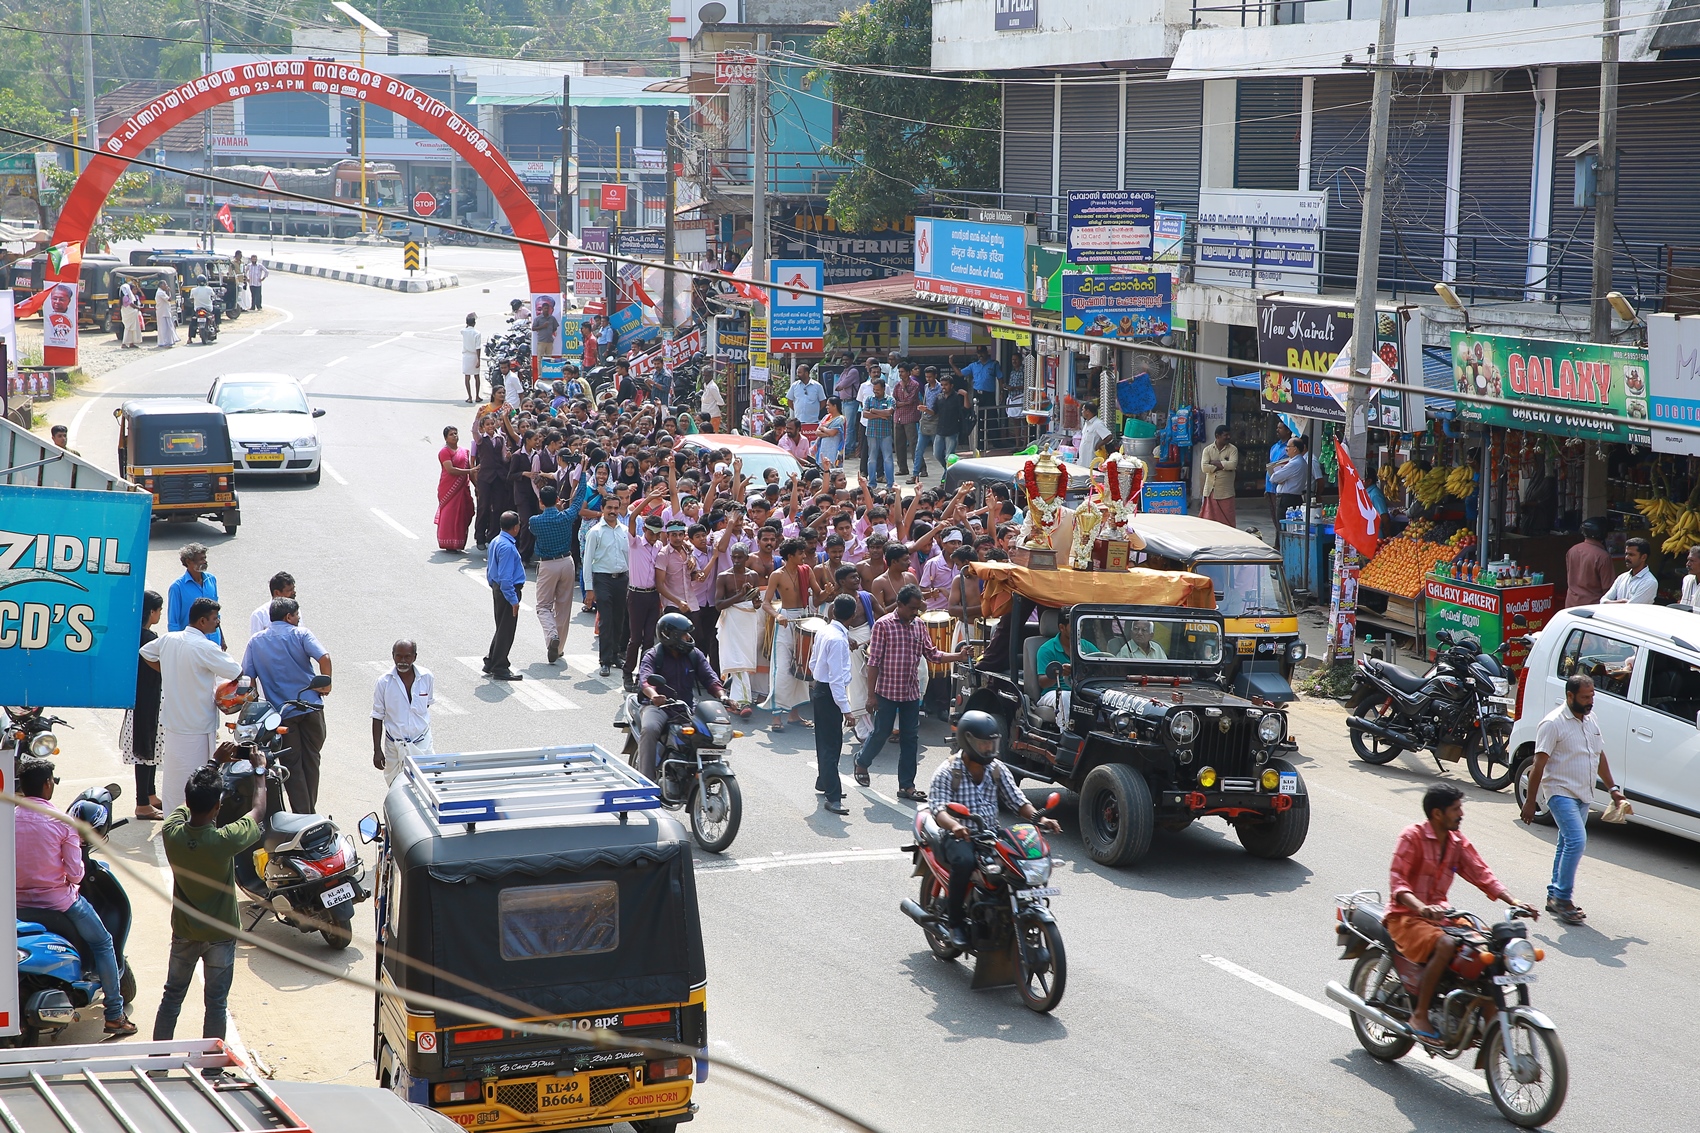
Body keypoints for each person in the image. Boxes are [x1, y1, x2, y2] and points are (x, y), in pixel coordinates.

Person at [1388, 783, 1537, 1042]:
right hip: (1406, 917)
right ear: (1437, 813)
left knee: (1491, 946)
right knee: (1446, 944)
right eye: (1456, 809)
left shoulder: (1457, 842)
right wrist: (1422, 907)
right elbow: (1398, 882)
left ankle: (1486, 1015)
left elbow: (1481, 873)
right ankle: (1420, 1013)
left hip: (1441, 917)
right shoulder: (1411, 836)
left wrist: (1513, 900)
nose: (1461, 814)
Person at [15, 758, 136, 1035]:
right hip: (58, 903)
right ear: (48, 785)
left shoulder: (6, 816)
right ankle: (115, 1015)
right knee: (104, 943)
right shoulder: (62, 822)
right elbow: (76, 874)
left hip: (14, 904)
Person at [929, 711, 1062, 949]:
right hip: (958, 836)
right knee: (964, 861)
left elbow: (1017, 801)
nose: (990, 749)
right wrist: (956, 825)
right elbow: (939, 810)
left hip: (989, 835)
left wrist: (1039, 819)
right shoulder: (948, 772)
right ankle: (955, 923)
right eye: (984, 744)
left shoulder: (997, 769)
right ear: (968, 741)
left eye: (992, 743)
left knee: (1018, 861)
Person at [155, 760, 267, 1042]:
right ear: (217, 807)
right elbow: (258, 810)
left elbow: (187, 802)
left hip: (184, 932)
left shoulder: (172, 832)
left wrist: (211, 765)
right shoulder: (223, 841)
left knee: (172, 997)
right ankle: (210, 1066)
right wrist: (260, 771)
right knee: (216, 1003)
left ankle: (158, 1061)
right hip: (220, 934)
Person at [1522, 674, 1625, 925]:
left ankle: (1553, 895)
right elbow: (1538, 765)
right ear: (1570, 696)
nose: (1590, 702)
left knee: (1565, 843)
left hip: (1583, 792)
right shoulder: (1553, 723)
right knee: (1577, 842)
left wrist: (1613, 788)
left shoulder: (1591, 719)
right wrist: (1530, 801)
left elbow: (1599, 756)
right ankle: (1564, 899)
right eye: (1585, 697)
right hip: (1560, 791)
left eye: (1592, 696)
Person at [853, 584, 969, 800]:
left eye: (918, 609)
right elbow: (874, 662)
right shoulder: (883, 625)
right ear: (900, 605)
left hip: (910, 692)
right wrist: (871, 695)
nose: (915, 613)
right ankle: (861, 762)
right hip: (886, 692)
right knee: (881, 732)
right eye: (912, 608)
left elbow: (933, 654)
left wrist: (959, 657)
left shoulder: (918, 625)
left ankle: (906, 786)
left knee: (910, 739)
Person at [140, 598, 243, 814]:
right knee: (199, 783)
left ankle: (172, 821)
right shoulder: (205, 647)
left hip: (174, 725)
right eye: (215, 619)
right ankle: (196, 824)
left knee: (173, 782)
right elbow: (236, 672)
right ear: (203, 621)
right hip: (197, 728)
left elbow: (146, 653)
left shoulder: (169, 639)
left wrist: (168, 670)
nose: (217, 623)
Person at [243, 597, 333, 811]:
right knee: (312, 760)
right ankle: (310, 812)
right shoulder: (301, 633)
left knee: (292, 764)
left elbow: (248, 679)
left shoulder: (256, 642)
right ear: (288, 616)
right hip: (311, 709)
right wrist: (326, 686)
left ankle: (304, 814)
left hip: (282, 714)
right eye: (296, 615)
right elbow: (325, 658)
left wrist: (254, 700)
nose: (299, 618)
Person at [634, 612, 725, 786]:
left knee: (708, 731)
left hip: (685, 707)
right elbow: (645, 680)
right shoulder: (653, 655)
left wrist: (724, 696)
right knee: (650, 729)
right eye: (684, 635)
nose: (689, 638)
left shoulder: (694, 654)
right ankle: (644, 782)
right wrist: (655, 696)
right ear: (671, 636)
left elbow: (710, 677)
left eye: (688, 634)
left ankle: (704, 771)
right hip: (657, 707)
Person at [810, 594, 857, 815]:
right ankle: (834, 797)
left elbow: (812, 662)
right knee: (832, 745)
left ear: (833, 611)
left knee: (824, 740)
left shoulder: (824, 631)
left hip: (820, 689)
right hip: (829, 693)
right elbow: (837, 681)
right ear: (853, 615)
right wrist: (846, 710)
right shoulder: (838, 640)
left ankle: (824, 781)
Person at [122, 590, 166, 819]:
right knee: (145, 748)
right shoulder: (148, 639)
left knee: (149, 745)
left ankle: (150, 794)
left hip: (139, 696)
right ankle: (142, 803)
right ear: (152, 612)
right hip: (148, 698)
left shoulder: (133, 634)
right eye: (159, 610)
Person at [372, 640, 434, 785]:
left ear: (415, 657)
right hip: (394, 746)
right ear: (393, 656)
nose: (402, 661)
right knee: (395, 786)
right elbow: (377, 716)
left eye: (407, 657)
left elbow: (427, 705)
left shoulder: (427, 677)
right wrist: (377, 750)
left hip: (422, 743)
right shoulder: (384, 682)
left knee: (425, 785)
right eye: (398, 656)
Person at [585, 496, 633, 678]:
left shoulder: (625, 531)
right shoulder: (595, 532)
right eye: (609, 508)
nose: (613, 511)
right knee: (606, 620)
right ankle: (604, 660)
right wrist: (589, 589)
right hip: (602, 579)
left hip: (622, 579)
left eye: (615, 508)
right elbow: (588, 561)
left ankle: (615, 656)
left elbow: (629, 558)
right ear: (603, 509)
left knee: (619, 618)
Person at [530, 484, 575, 664]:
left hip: (548, 565)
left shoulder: (535, 521)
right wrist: (583, 471)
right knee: (563, 607)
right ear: (558, 500)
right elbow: (578, 500)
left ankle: (552, 636)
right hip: (567, 562)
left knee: (543, 606)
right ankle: (559, 648)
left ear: (541, 502)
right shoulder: (566, 516)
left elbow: (533, 531)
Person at [716, 543, 763, 715]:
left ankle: (733, 699)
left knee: (744, 660)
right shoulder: (723, 576)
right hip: (732, 621)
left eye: (739, 557)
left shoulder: (753, 576)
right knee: (737, 662)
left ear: (746, 558)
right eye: (733, 557)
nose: (736, 560)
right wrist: (739, 596)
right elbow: (718, 605)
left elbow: (755, 601)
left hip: (748, 621)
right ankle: (742, 703)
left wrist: (757, 604)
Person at [625, 514, 668, 691]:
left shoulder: (659, 546)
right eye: (652, 534)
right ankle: (627, 673)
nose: (655, 538)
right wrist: (649, 499)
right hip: (636, 595)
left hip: (653, 595)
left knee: (650, 639)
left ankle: (643, 676)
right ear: (644, 530)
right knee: (636, 638)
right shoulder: (635, 543)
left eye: (658, 534)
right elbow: (633, 518)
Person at [484, 512, 526, 680]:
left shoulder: (496, 541)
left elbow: (491, 571)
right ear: (515, 527)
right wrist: (513, 600)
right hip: (507, 591)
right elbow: (506, 577)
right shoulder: (507, 547)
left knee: (501, 627)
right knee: (506, 630)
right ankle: (500, 667)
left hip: (498, 589)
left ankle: (490, 661)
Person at [429, 425, 476, 552]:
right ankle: (448, 543)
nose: (455, 436)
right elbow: (451, 470)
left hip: (463, 488)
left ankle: (459, 542)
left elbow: (470, 473)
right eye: (451, 434)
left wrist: (477, 487)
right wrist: (470, 470)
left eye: (456, 433)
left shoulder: (465, 451)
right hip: (449, 488)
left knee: (466, 511)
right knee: (450, 515)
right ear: (445, 438)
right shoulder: (444, 452)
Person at [168, 543, 222, 645]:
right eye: (201, 559)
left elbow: (216, 614)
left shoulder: (211, 580)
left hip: (214, 640)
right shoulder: (177, 587)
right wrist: (177, 646)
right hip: (191, 644)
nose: (205, 561)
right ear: (188, 562)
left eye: (205, 558)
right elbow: (173, 622)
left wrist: (222, 638)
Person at [1563, 517, 1615, 607]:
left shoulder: (1573, 550)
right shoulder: (1603, 556)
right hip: (1592, 607)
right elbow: (1608, 589)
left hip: (1571, 604)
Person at [1035, 608, 1072, 723]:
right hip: (1053, 693)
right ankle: (1066, 733)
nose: (1078, 630)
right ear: (1062, 628)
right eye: (1073, 626)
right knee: (1065, 697)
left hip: (1080, 692)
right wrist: (1058, 672)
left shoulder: (1085, 646)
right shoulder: (1046, 649)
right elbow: (1042, 683)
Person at [1199, 424, 1239, 527]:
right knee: (1209, 522)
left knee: (1228, 521)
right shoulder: (1207, 450)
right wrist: (1223, 465)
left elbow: (1233, 464)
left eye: (1229, 435)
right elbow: (1204, 468)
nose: (1228, 437)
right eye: (1225, 435)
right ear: (1217, 436)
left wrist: (1214, 463)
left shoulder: (1233, 449)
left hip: (1226, 492)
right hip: (1210, 491)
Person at [863, 376, 896, 490]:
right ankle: (872, 483)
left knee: (888, 458)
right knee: (872, 458)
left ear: (883, 389)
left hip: (885, 433)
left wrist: (874, 411)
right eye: (874, 389)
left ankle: (890, 484)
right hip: (871, 433)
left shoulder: (890, 400)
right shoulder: (869, 399)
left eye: (878, 389)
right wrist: (882, 416)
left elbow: (889, 412)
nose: (875, 391)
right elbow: (865, 414)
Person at [1600, 536, 1656, 604]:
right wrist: (1620, 602)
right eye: (1626, 554)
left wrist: (1612, 603)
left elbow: (1631, 608)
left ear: (1643, 557)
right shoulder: (1622, 577)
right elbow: (1603, 601)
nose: (1627, 558)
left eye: (1631, 555)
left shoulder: (1649, 582)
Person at [893, 363, 923, 482]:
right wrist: (900, 403)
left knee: (914, 444)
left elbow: (909, 400)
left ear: (908, 373)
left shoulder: (914, 385)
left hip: (910, 417)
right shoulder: (896, 385)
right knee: (898, 444)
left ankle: (921, 468)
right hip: (898, 417)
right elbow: (894, 399)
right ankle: (902, 468)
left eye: (903, 372)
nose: (901, 374)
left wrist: (904, 389)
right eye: (899, 372)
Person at [248, 572, 295, 637]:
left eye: (293, 589)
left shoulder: (295, 612)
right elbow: (256, 643)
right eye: (290, 590)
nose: (294, 592)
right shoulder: (259, 615)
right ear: (277, 592)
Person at [1265, 420, 1292, 527]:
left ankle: (1279, 542)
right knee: (1273, 517)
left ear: (1287, 431)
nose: (1277, 430)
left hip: (1280, 486)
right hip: (1270, 486)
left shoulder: (1290, 447)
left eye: (1280, 428)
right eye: (1277, 428)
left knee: (1280, 517)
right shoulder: (1274, 447)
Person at [786, 364, 826, 430]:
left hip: (813, 421)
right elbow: (789, 401)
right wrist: (797, 409)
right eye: (797, 372)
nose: (798, 374)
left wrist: (814, 410)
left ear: (806, 373)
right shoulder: (794, 386)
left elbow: (823, 402)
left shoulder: (817, 386)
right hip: (799, 421)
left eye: (799, 372)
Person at [815, 397, 845, 468]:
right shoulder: (826, 417)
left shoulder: (840, 419)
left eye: (828, 405)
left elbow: (833, 432)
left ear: (835, 406)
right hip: (823, 449)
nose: (826, 407)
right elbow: (817, 432)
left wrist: (823, 429)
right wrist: (828, 433)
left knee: (832, 469)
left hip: (833, 450)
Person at [1078, 401, 1110, 466]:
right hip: (1083, 461)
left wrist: (1098, 445)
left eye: (1083, 410)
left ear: (1088, 411)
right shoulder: (1087, 423)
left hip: (1092, 462)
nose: (1082, 412)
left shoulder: (1098, 424)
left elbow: (1109, 436)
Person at [461, 312, 482, 404]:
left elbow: (464, 329)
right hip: (474, 355)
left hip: (466, 356)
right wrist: (478, 359)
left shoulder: (463, 331)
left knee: (467, 377)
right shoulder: (477, 333)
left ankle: (469, 397)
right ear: (474, 323)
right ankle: (477, 396)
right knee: (476, 377)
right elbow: (478, 347)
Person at [118, 277, 143, 349]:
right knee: (128, 328)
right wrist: (137, 308)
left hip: (131, 314)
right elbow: (131, 304)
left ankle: (131, 343)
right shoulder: (125, 297)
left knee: (132, 328)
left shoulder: (127, 296)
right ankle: (124, 343)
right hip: (128, 315)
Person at [154, 280, 178, 349]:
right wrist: (169, 291)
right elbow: (169, 299)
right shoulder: (160, 293)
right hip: (162, 313)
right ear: (161, 286)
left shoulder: (162, 292)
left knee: (168, 327)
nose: (166, 286)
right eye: (165, 285)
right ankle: (164, 342)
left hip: (164, 312)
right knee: (163, 328)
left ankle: (168, 341)